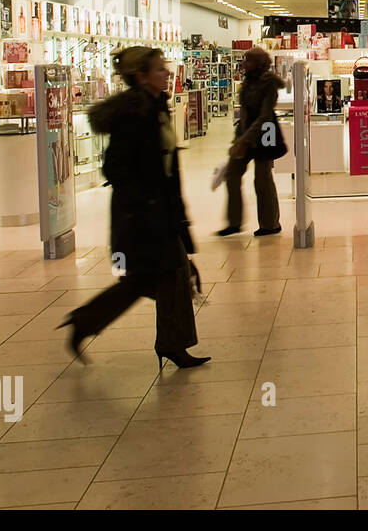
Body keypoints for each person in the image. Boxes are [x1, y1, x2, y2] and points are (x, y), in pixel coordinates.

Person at [57, 47, 210, 370]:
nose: (167, 73)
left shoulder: (156, 106)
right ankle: (90, 323)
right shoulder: (134, 115)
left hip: (158, 210)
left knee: (165, 277)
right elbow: (115, 167)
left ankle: (169, 343)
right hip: (141, 214)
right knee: (154, 278)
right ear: (141, 76)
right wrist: (147, 203)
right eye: (159, 69)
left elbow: (167, 168)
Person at [220, 47, 283, 237]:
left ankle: (270, 224)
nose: (243, 63)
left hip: (266, 132)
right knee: (232, 174)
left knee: (263, 179)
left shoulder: (269, 83)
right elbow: (245, 113)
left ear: (259, 63)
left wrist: (245, 140)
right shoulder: (247, 82)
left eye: (248, 60)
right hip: (246, 132)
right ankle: (234, 222)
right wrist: (238, 140)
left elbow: (264, 116)